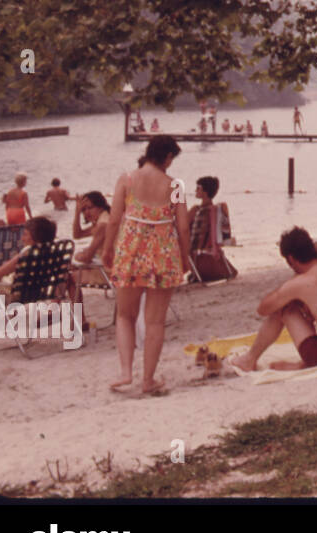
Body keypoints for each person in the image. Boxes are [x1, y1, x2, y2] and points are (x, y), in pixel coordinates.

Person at [100, 135, 191, 396]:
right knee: (155, 322)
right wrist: (185, 258)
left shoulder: (127, 179)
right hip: (163, 254)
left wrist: (108, 250)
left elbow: (114, 220)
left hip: (131, 251)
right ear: (168, 157)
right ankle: (148, 380)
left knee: (125, 315)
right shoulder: (175, 186)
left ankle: (126, 371)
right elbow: (183, 228)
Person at [229, 228, 317, 370]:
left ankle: (250, 359)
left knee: (284, 308)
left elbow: (263, 309)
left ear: (291, 259)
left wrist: (289, 290)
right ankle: (303, 364)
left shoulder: (301, 282)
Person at [187, 176, 237, 282]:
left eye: (198, 188)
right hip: (212, 247)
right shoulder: (217, 210)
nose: (195, 190)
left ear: (205, 192)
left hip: (196, 250)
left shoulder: (196, 210)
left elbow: (182, 226)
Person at [0, 216, 58, 287]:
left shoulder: (26, 254)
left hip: (17, 295)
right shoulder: (53, 252)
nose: (22, 238)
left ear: (36, 237)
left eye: (25, 234)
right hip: (40, 291)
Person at [68, 192, 111, 304]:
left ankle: (80, 318)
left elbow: (87, 258)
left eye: (90, 208)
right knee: (69, 268)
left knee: (67, 278)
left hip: (109, 273)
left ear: (100, 206)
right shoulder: (105, 219)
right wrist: (77, 212)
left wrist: (79, 255)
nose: (86, 212)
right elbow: (77, 234)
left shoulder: (103, 225)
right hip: (108, 266)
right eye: (83, 209)